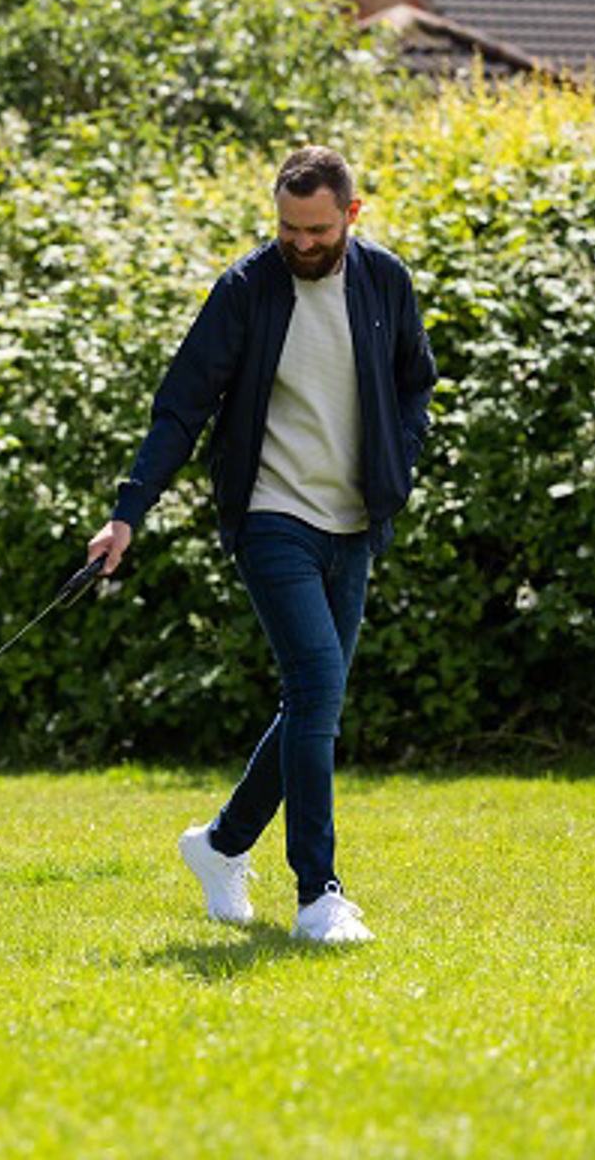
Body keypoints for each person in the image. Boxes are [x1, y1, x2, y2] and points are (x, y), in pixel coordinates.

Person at [85, 145, 437, 945]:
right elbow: (180, 407)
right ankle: (319, 895)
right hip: (271, 516)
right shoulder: (245, 291)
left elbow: (417, 380)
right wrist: (127, 511)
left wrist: (401, 456)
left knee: (312, 702)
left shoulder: (385, 283)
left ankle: (220, 846)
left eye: (316, 230)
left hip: (353, 523)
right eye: (287, 227)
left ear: (352, 215)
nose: (300, 243)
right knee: (316, 684)